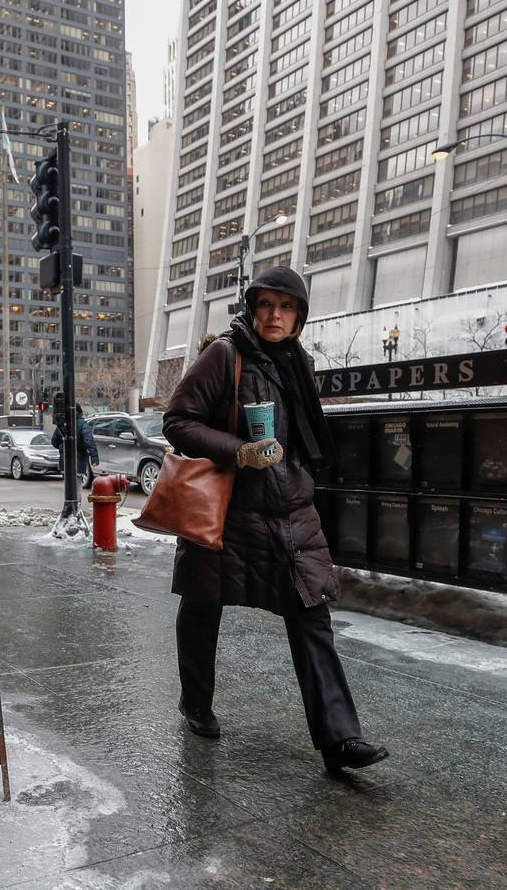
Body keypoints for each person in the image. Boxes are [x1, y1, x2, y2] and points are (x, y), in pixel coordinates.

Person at [163, 265, 389, 773]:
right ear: (251, 307)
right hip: (228, 508)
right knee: (203, 606)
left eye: (287, 308)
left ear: (300, 317)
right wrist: (239, 451)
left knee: (312, 615)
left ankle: (339, 740)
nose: (275, 315)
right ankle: (196, 702)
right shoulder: (224, 355)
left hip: (290, 510)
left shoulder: (299, 363)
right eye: (266, 305)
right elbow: (177, 421)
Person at [51, 404, 99, 488]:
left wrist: (62, 448)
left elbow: (54, 442)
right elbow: (89, 441)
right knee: (76, 489)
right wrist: (94, 458)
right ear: (79, 412)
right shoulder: (82, 424)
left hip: (65, 462)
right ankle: (77, 501)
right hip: (79, 461)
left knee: (68, 489)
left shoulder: (62, 424)